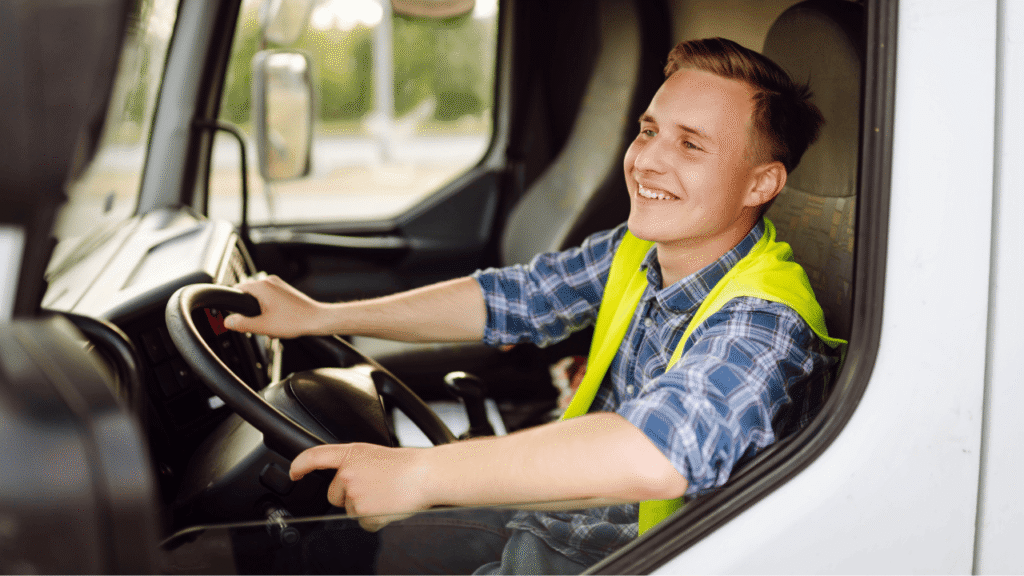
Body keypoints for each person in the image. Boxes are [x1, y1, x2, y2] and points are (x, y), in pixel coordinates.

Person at [224, 37, 844, 574]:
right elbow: (509, 299)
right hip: (556, 519)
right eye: (650, 130)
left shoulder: (766, 321)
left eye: (691, 146)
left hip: (633, 557)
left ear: (762, 183)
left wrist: (420, 474)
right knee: (318, 549)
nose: (647, 159)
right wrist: (323, 316)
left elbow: (657, 454)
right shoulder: (641, 249)